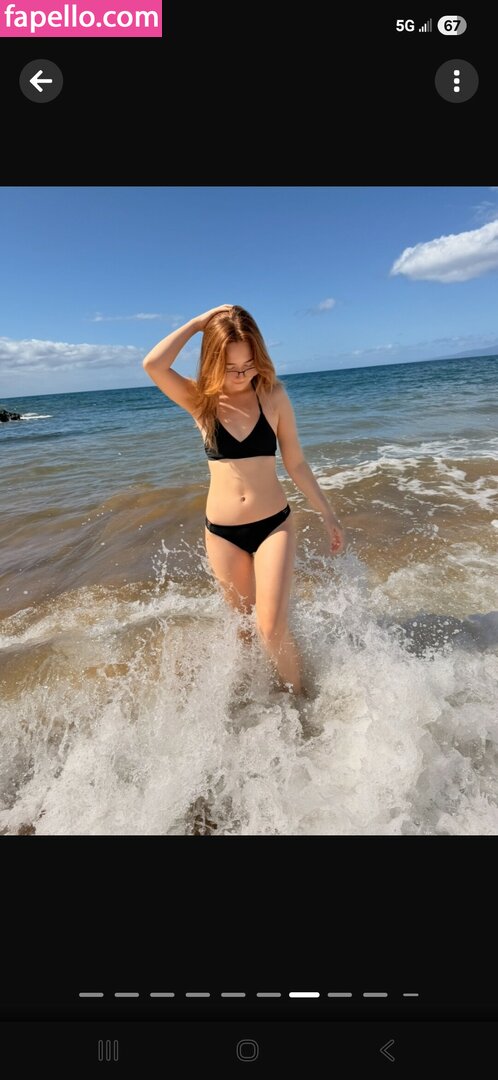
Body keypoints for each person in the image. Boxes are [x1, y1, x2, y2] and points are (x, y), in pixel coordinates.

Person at [142, 304, 346, 695]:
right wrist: (198, 324)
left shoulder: (273, 396)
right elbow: (153, 364)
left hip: (273, 526)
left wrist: (328, 513)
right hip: (222, 535)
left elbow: (296, 463)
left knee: (270, 627)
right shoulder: (200, 400)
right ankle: (257, 703)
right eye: (231, 367)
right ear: (213, 362)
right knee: (244, 631)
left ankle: (300, 700)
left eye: (249, 365)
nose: (241, 375)